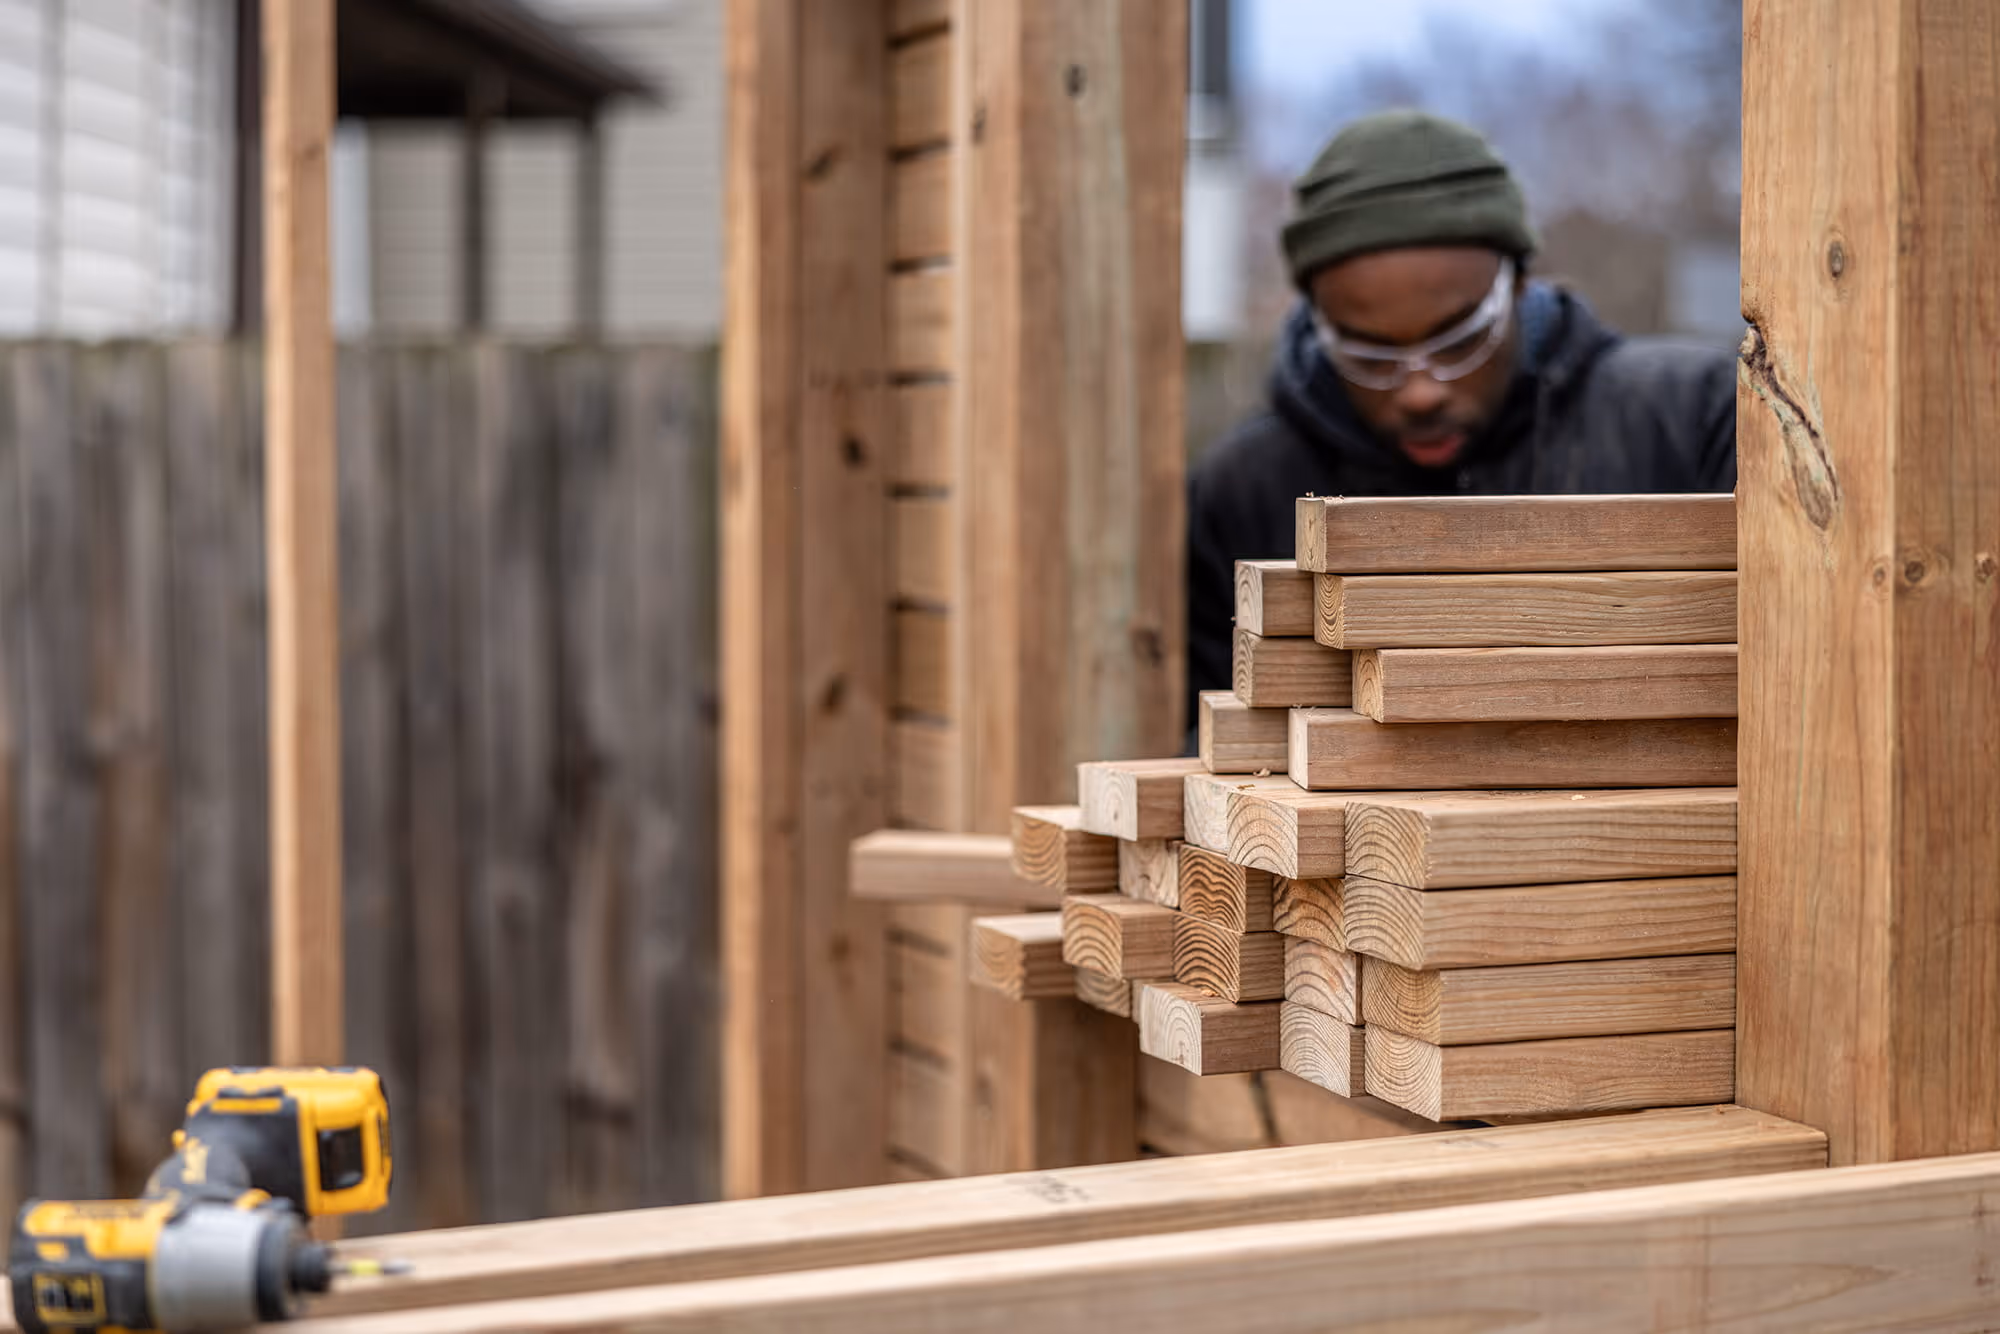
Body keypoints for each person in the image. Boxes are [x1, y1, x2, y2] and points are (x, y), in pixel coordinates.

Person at [1185, 110, 1737, 728]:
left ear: (1520, 283)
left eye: (1460, 340)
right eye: (1370, 354)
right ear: (1318, 324)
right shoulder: (1245, 488)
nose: (1421, 392)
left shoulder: (1691, 417)